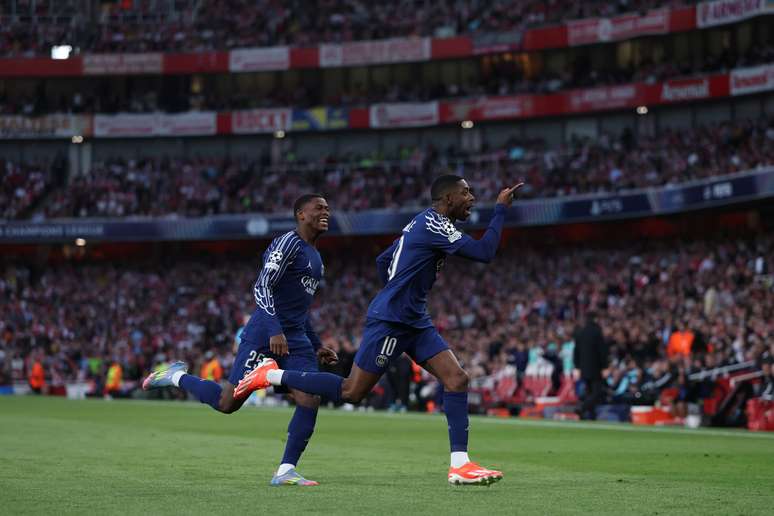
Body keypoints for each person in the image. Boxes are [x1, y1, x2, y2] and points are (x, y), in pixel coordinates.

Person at [235, 175, 523, 485]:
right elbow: (484, 252)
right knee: (352, 392)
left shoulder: (424, 223)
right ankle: (270, 376)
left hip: (414, 319)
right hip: (392, 320)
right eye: (466, 193)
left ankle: (460, 465)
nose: (472, 198)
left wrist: (398, 290)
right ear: (448, 199)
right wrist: (500, 209)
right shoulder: (434, 224)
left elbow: (384, 259)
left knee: (457, 379)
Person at [142, 194, 338, 486]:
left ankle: (285, 470)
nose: (326, 212)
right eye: (318, 208)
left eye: (327, 208)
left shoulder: (317, 257)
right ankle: (176, 376)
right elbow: (262, 286)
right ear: (300, 214)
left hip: (296, 339)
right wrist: (274, 329)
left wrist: (316, 342)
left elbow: (300, 309)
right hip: (264, 335)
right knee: (227, 403)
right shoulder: (288, 244)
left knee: (310, 396)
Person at [573, 311, 609, 420]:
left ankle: (590, 416)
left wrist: (577, 366)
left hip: (583, 367)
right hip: (596, 367)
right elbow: (602, 351)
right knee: (597, 392)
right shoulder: (597, 332)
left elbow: (576, 351)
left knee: (589, 392)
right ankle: (582, 408)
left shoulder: (580, 332)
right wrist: (605, 366)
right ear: (595, 319)